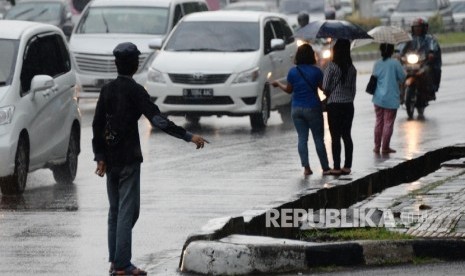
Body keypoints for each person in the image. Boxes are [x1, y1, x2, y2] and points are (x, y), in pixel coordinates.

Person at [92, 42, 208, 276]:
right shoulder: (136, 91)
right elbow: (158, 120)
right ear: (135, 65)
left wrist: (100, 156)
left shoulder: (107, 90)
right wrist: (187, 136)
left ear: (117, 64)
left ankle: (116, 262)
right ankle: (123, 265)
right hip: (128, 160)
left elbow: (97, 125)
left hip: (111, 160)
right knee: (127, 212)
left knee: (116, 212)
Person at [272, 44, 331, 176]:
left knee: (302, 138)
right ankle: (325, 168)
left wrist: (278, 84)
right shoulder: (316, 71)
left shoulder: (293, 72)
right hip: (313, 108)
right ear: (312, 55)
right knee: (318, 139)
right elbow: (324, 90)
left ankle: (306, 168)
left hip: (296, 109)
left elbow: (288, 90)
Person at [322, 39, 356, 175]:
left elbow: (325, 87)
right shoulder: (352, 68)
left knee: (335, 136)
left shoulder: (331, 66)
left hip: (334, 105)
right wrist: (348, 99)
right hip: (348, 105)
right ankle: (347, 166)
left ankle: (336, 167)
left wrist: (330, 93)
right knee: (347, 135)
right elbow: (353, 90)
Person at [371, 43, 406, 154]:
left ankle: (377, 147)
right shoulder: (395, 63)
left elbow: (375, 77)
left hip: (378, 98)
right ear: (392, 52)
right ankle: (385, 147)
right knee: (388, 123)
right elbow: (402, 77)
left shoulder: (377, 63)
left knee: (378, 122)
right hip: (391, 98)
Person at [397, 17, 442, 100]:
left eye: (419, 27)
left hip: (424, 63)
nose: (417, 29)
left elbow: (433, 46)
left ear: (424, 28)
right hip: (410, 63)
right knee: (399, 72)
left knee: (429, 70)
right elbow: (401, 47)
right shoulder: (408, 38)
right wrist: (398, 53)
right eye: (415, 27)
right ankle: (400, 93)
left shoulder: (429, 38)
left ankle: (430, 91)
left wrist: (431, 53)